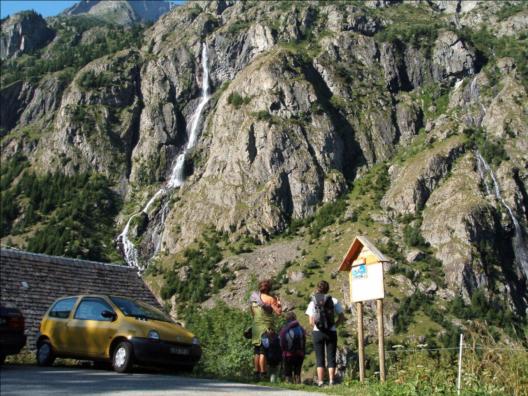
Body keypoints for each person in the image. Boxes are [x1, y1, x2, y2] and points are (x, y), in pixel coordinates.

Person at [305, 280, 345, 387]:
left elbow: (310, 321)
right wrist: (334, 325)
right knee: (331, 357)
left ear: (317, 289)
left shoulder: (313, 301)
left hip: (318, 332)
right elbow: (342, 317)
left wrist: (317, 326)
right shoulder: (334, 300)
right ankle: (332, 381)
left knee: (319, 357)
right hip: (331, 331)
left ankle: (321, 381)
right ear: (328, 289)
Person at [249, 279, 282, 381]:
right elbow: (279, 312)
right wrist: (279, 303)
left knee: (256, 351)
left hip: (256, 327)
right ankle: (263, 373)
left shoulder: (253, 298)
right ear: (269, 288)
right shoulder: (271, 299)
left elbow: (252, 313)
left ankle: (256, 372)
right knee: (263, 351)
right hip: (266, 328)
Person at [279, 311, 306, 384]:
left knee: (288, 371)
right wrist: (303, 352)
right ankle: (298, 383)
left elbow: (281, 342)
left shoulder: (284, 329)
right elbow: (304, 341)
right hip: (299, 354)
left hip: (288, 354)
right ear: (295, 318)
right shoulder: (301, 328)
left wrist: (283, 351)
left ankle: (288, 382)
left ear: (287, 319)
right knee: (297, 371)